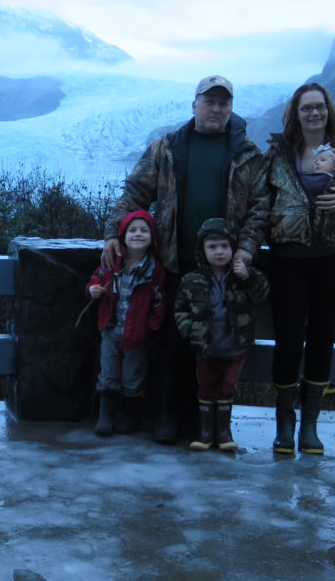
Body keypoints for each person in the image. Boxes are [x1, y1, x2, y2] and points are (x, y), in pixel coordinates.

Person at [101, 75, 269, 443]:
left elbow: (260, 208)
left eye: (223, 102)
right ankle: (164, 417)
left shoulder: (248, 153)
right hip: (174, 263)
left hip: (222, 270)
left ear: (231, 107)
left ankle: (201, 425)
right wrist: (114, 232)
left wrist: (247, 248)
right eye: (209, 101)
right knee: (168, 345)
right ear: (194, 105)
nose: (216, 108)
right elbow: (135, 193)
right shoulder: (167, 149)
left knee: (216, 347)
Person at [265, 82, 335, 455]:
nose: (314, 113)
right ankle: (285, 425)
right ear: (295, 114)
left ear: (328, 110)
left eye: (319, 107)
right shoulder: (279, 154)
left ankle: (309, 428)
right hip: (286, 260)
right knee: (286, 342)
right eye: (306, 108)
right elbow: (257, 202)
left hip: (331, 260)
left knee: (321, 340)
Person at [174, 217, 269, 451]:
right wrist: (190, 331)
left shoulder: (243, 276)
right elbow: (180, 309)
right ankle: (206, 433)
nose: (219, 252)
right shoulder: (191, 279)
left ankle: (224, 433)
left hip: (235, 346)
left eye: (224, 246)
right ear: (202, 250)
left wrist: (248, 277)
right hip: (206, 346)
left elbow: (261, 296)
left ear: (233, 248)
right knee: (206, 387)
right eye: (212, 247)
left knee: (228, 387)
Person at [87, 210, 166, 436]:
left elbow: (159, 302)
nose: (138, 234)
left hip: (137, 334)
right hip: (111, 329)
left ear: (152, 236)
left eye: (144, 230)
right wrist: (92, 290)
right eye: (132, 230)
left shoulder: (154, 269)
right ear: (123, 236)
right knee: (108, 373)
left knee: (133, 376)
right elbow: (96, 278)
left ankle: (130, 415)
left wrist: (150, 327)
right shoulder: (113, 262)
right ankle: (106, 415)